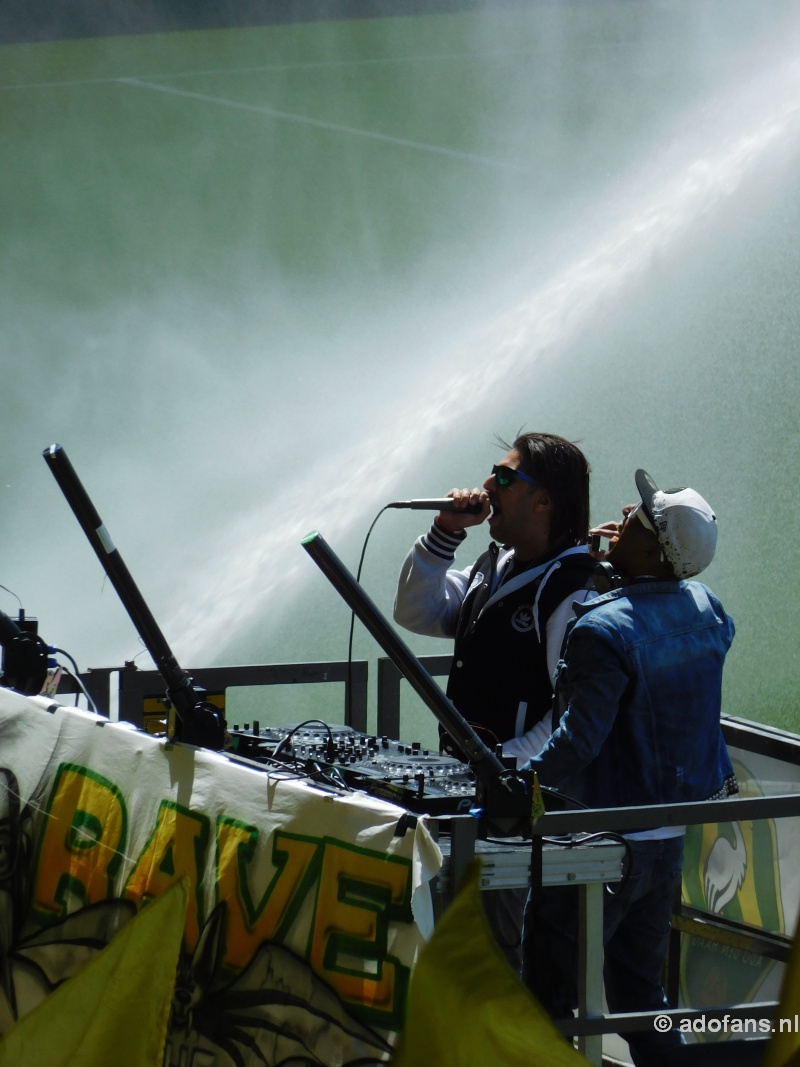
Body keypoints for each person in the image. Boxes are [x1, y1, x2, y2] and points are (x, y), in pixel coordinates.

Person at [520, 469, 737, 1067]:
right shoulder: (708, 607)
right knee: (642, 993)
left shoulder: (602, 629)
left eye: (641, 519)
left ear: (652, 547)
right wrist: (621, 573)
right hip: (666, 838)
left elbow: (577, 741)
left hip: (599, 839)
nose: (625, 515)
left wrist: (520, 786)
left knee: (546, 990)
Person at [393, 431, 597, 968]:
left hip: (519, 815)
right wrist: (443, 533)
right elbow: (415, 612)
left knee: (499, 965)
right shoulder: (495, 564)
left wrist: (500, 770)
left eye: (505, 477)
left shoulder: (573, 588)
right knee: (452, 953)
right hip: (474, 803)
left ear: (544, 500)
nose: (488, 485)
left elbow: (569, 717)